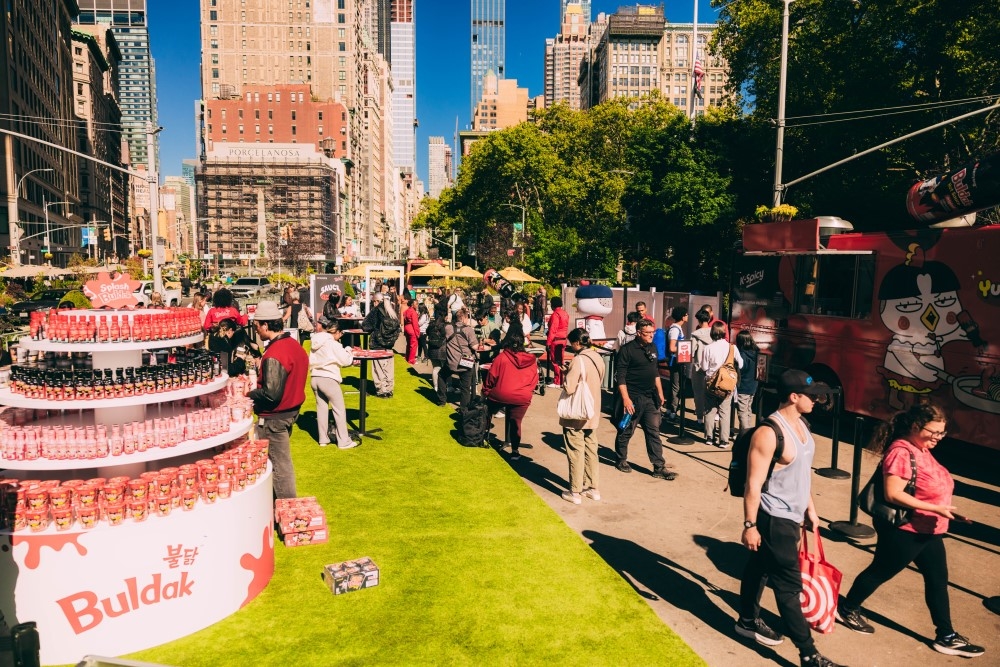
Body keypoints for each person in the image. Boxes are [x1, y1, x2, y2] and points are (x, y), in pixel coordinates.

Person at [836, 400, 984, 658]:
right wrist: (936, 508)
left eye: (942, 432)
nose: (938, 437)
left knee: (937, 581)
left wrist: (944, 509)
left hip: (929, 529)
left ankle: (946, 636)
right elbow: (893, 494)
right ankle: (847, 609)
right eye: (934, 431)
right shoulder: (901, 452)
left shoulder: (921, 447)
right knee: (880, 572)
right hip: (906, 530)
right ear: (916, 426)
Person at [737, 369, 842, 667]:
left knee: (759, 567)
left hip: (794, 515)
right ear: (794, 397)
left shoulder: (802, 426)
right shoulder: (769, 432)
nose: (818, 400)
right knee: (788, 587)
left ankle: (746, 620)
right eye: (812, 396)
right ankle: (809, 654)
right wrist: (750, 525)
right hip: (774, 518)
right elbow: (753, 484)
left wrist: (810, 508)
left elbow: (802, 471)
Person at [246, 301, 309, 500]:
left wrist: (249, 392)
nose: (256, 330)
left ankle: (287, 508)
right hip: (289, 413)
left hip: (275, 418)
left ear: (265, 325)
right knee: (279, 463)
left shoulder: (276, 353)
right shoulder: (293, 345)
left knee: (281, 466)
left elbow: (271, 394)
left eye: (257, 326)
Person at [613, 318, 675, 480]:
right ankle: (621, 459)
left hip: (650, 397)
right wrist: (626, 399)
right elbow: (621, 377)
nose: (651, 336)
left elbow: (655, 372)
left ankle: (659, 466)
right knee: (626, 430)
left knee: (653, 431)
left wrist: (660, 393)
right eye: (647, 333)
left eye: (652, 332)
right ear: (639, 333)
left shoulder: (652, 347)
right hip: (632, 397)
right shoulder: (627, 350)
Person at [559, 328, 605, 504]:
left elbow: (570, 387)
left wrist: (566, 375)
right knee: (592, 449)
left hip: (577, 413)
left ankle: (575, 491)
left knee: (575, 450)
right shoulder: (597, 357)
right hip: (593, 410)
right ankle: (593, 488)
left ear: (577, 342)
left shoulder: (578, 360)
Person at [482, 320, 538, 460]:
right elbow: (534, 379)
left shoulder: (501, 358)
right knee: (516, 422)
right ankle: (515, 450)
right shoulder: (531, 360)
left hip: (501, 393)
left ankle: (484, 437)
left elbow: (491, 377)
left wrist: (486, 391)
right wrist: (527, 391)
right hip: (522, 396)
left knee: (487, 410)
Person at [309, 317, 359, 450]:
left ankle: (323, 439)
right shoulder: (333, 344)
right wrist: (349, 350)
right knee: (339, 410)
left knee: (322, 409)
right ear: (336, 332)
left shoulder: (315, 341)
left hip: (315, 377)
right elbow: (346, 361)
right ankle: (343, 441)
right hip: (328, 378)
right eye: (341, 333)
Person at [698, 321, 743, 448]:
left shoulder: (708, 348)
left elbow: (704, 367)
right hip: (727, 385)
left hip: (711, 383)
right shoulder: (732, 348)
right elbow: (741, 364)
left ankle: (709, 437)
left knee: (709, 410)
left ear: (712, 333)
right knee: (724, 411)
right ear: (724, 333)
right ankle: (723, 440)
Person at [360, 292, 400, 398]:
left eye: (373, 301)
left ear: (377, 301)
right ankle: (389, 389)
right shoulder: (391, 311)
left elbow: (366, 325)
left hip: (377, 344)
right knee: (388, 368)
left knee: (378, 369)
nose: (373, 303)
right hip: (389, 345)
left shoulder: (376, 311)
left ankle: (381, 390)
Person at [437, 306, 477, 411]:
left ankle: (442, 400)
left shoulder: (448, 328)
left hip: (451, 361)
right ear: (464, 318)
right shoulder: (469, 330)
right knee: (465, 387)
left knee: (441, 375)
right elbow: (475, 347)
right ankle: (464, 409)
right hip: (466, 361)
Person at [689, 308, 714, 427]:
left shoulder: (695, 335)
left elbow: (691, 351)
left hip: (699, 367)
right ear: (709, 319)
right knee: (711, 394)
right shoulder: (715, 333)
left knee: (698, 393)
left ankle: (699, 418)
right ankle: (711, 419)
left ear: (698, 320)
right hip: (713, 368)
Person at [665, 306, 689, 421]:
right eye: (686, 314)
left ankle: (670, 410)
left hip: (676, 361)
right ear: (683, 316)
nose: (687, 316)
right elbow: (672, 347)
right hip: (675, 361)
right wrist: (685, 348)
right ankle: (673, 411)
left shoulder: (676, 328)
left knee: (674, 385)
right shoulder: (675, 329)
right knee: (676, 386)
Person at [734, 330, 760, 435]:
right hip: (753, 386)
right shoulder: (756, 353)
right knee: (748, 410)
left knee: (742, 412)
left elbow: (741, 369)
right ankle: (747, 431)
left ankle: (745, 434)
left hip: (743, 387)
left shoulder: (742, 355)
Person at [425, 302, 450, 399]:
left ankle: (436, 386)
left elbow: (427, 332)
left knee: (436, 368)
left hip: (432, 348)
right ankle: (444, 387)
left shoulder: (431, 324)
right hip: (443, 349)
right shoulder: (445, 325)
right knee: (444, 369)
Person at [546, 295, 569, 389]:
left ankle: (557, 381)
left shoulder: (555, 314)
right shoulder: (565, 313)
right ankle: (561, 380)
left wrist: (548, 343)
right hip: (563, 339)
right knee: (561, 361)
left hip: (556, 340)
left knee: (555, 361)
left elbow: (552, 330)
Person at [402, 298, 421, 364]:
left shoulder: (407, 311)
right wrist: (417, 333)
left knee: (408, 344)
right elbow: (415, 324)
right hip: (412, 328)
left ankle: (407, 357)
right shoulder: (413, 312)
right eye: (416, 304)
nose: (417, 305)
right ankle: (411, 360)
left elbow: (404, 321)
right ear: (412, 305)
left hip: (407, 328)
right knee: (413, 345)